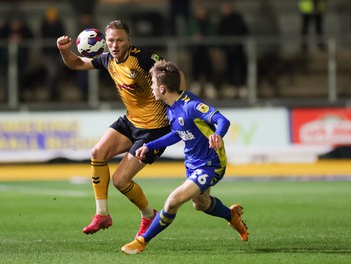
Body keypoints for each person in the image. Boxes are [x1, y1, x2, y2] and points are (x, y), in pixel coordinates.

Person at [56, 20, 185, 238]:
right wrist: (63, 50)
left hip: (154, 129)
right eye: (111, 40)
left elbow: (176, 74)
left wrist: (181, 107)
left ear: (129, 41)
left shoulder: (143, 59)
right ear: (105, 42)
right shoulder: (108, 60)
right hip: (131, 121)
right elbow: (76, 64)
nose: (115, 45)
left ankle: (148, 215)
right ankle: (102, 214)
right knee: (97, 153)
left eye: (120, 40)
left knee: (120, 181)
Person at [120, 60, 248, 255]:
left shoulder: (191, 105)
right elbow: (177, 134)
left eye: (153, 83)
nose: (151, 87)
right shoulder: (171, 108)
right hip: (193, 163)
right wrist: (150, 146)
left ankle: (141, 241)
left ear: (162, 88)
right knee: (201, 204)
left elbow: (222, 120)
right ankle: (232, 215)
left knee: (173, 201)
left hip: (211, 163)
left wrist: (217, 135)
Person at [0, 14, 34, 102]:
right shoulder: (2, 31)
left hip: (20, 61)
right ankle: (7, 98)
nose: (16, 24)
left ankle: (18, 97)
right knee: (5, 80)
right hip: (3, 61)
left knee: (19, 79)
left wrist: (21, 39)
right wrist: (8, 39)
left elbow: (31, 37)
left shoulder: (24, 30)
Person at [217, 0, 248, 99]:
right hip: (228, 50)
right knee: (230, 67)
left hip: (238, 48)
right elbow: (221, 34)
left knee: (241, 67)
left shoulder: (238, 19)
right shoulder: (222, 21)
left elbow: (244, 31)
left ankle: (242, 86)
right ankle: (232, 86)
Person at [185, 1, 216, 99]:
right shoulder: (192, 23)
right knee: (196, 62)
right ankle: (196, 85)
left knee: (207, 63)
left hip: (207, 51)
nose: (201, 13)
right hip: (195, 51)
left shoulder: (209, 23)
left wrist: (205, 38)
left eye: (203, 10)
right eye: (199, 10)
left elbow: (213, 35)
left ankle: (208, 86)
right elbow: (187, 36)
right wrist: (194, 39)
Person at [40, 6, 66, 101]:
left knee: (59, 73)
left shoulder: (60, 25)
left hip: (59, 53)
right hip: (48, 54)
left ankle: (57, 92)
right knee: (52, 72)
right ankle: (51, 93)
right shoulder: (44, 26)